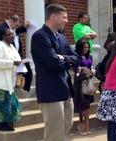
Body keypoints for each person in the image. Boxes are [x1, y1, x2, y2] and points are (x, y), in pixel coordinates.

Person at [31, 4, 80, 141]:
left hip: (65, 90)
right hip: (50, 91)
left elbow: (76, 58)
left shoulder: (62, 37)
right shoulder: (39, 36)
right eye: (64, 17)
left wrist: (62, 57)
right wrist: (63, 60)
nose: (67, 20)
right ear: (53, 17)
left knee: (66, 125)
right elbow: (53, 63)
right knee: (54, 133)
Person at [0, 14, 33, 92]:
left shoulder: (12, 28)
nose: (17, 27)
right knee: (17, 74)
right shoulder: (2, 29)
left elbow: (17, 30)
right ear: (12, 21)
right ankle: (18, 90)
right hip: (9, 57)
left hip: (18, 56)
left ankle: (24, 90)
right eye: (16, 25)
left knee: (27, 71)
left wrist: (24, 27)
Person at [73, 39, 94, 135]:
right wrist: (82, 71)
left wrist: (92, 71)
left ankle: (87, 126)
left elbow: (91, 67)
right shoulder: (76, 57)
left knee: (88, 105)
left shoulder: (90, 56)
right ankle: (81, 125)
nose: (86, 49)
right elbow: (76, 70)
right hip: (80, 83)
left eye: (87, 47)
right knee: (81, 105)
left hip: (88, 82)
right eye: (84, 47)